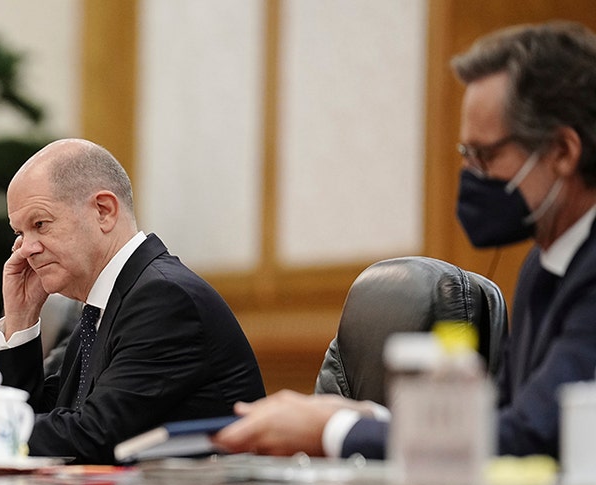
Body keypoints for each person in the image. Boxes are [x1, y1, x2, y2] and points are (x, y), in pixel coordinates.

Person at [215, 22, 596, 461]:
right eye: (465, 155)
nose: (471, 176)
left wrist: (334, 430)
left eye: (485, 156)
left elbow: (529, 439)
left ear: (563, 152)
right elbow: (502, 419)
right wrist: (368, 419)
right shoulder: (543, 265)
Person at [0, 138, 266, 463]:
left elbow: (93, 435)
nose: (24, 249)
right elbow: (43, 420)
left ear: (103, 211)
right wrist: (20, 321)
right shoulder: (104, 301)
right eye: (19, 232)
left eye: (40, 224)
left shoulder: (163, 297)